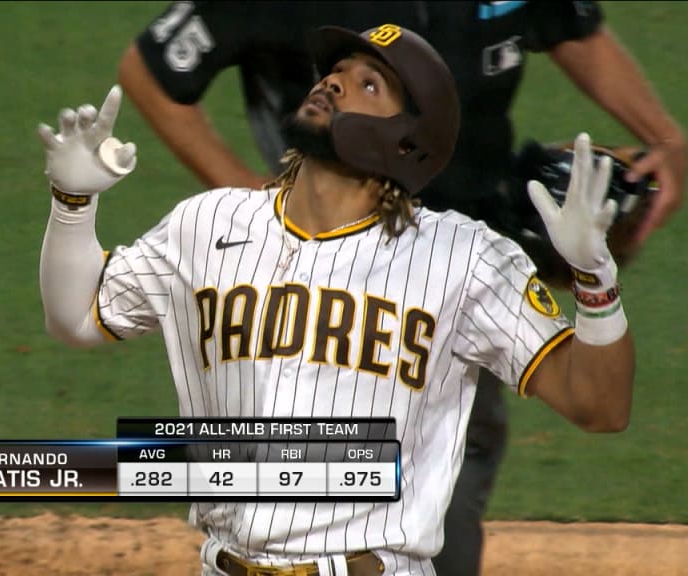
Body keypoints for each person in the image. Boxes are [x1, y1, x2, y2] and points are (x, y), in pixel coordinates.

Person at [38, 24, 635, 576]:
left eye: (366, 84)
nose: (332, 83)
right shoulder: (207, 222)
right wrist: (72, 204)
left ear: (409, 142)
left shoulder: (464, 259)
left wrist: (594, 278)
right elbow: (78, 316)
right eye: (336, 72)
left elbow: (599, 406)